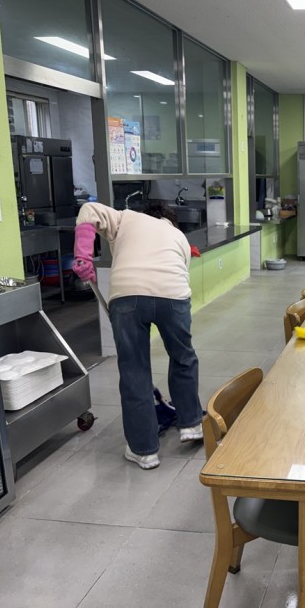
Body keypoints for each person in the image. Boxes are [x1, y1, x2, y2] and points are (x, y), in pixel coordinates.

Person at [72, 201, 204, 470]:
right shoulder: (178, 235)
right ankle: (191, 424)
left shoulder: (125, 218)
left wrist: (83, 255)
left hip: (128, 295)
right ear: (170, 220)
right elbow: (181, 273)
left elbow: (89, 210)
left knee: (134, 370)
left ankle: (144, 451)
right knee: (183, 357)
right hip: (173, 295)